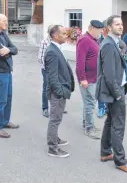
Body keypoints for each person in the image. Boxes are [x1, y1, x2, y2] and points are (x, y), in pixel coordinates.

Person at [96, 15, 127, 174]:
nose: (121, 26)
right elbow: (109, 74)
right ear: (108, 27)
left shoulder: (115, 43)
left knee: (110, 121)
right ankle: (120, 161)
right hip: (115, 91)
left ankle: (105, 152)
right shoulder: (108, 45)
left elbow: (118, 63)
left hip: (117, 88)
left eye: (121, 24)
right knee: (118, 126)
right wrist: (118, 94)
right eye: (117, 24)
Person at [45, 25, 75, 158]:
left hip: (60, 90)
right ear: (55, 36)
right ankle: (52, 147)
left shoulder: (57, 48)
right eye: (63, 33)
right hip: (57, 92)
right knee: (55, 119)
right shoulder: (51, 51)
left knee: (57, 117)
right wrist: (60, 92)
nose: (66, 35)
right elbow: (52, 76)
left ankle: (55, 138)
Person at [76, 20, 104, 139]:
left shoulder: (94, 40)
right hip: (87, 79)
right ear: (92, 28)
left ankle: (86, 123)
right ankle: (89, 128)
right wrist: (82, 78)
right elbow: (80, 61)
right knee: (90, 103)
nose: (101, 32)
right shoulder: (85, 40)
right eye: (99, 30)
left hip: (94, 77)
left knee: (88, 103)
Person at [38, 24, 53, 118]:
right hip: (47, 69)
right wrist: (47, 68)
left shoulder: (57, 41)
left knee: (56, 88)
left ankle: (57, 107)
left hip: (56, 69)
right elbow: (40, 58)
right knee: (46, 88)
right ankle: (45, 108)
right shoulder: (45, 42)